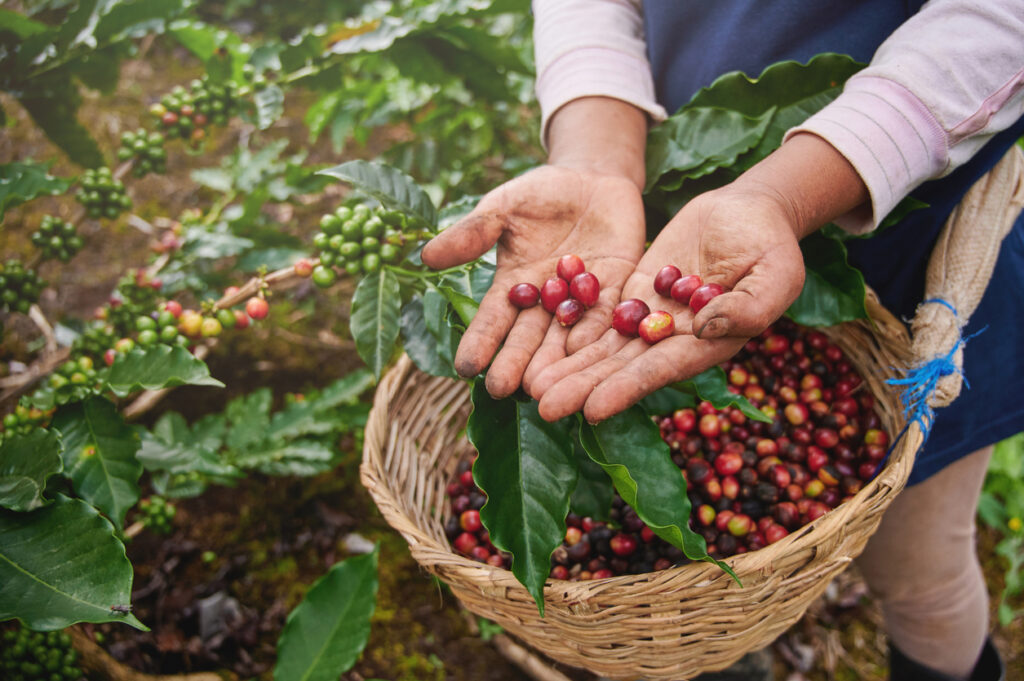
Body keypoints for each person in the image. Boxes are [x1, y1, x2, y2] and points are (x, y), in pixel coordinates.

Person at [421, 2, 1024, 680]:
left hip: (912, 247)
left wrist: (785, 197)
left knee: (925, 573)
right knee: (710, 574)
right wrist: (597, 156)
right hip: (676, 226)